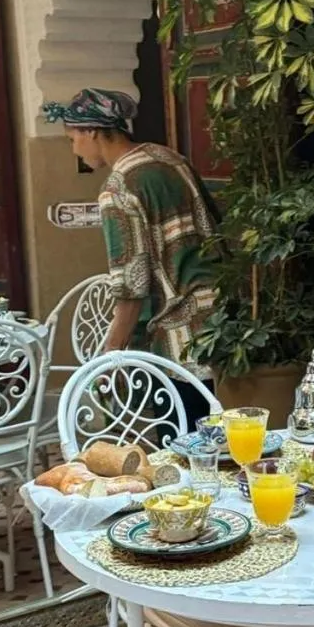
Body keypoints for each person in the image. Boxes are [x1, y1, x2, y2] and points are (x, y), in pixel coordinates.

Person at [42, 88, 219, 427]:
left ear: (91, 131)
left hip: (179, 335)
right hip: (221, 319)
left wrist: (110, 356)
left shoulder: (118, 188)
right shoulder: (168, 158)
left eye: (72, 139)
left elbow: (131, 285)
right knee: (223, 438)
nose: (75, 150)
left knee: (184, 447)